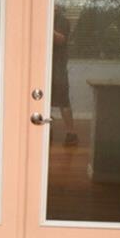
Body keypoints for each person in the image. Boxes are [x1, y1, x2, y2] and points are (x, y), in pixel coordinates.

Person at [52, 12, 78, 146]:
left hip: (58, 68)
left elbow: (60, 39)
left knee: (63, 101)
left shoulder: (62, 20)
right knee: (41, 99)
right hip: (40, 66)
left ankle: (71, 133)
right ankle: (46, 131)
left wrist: (45, 26)